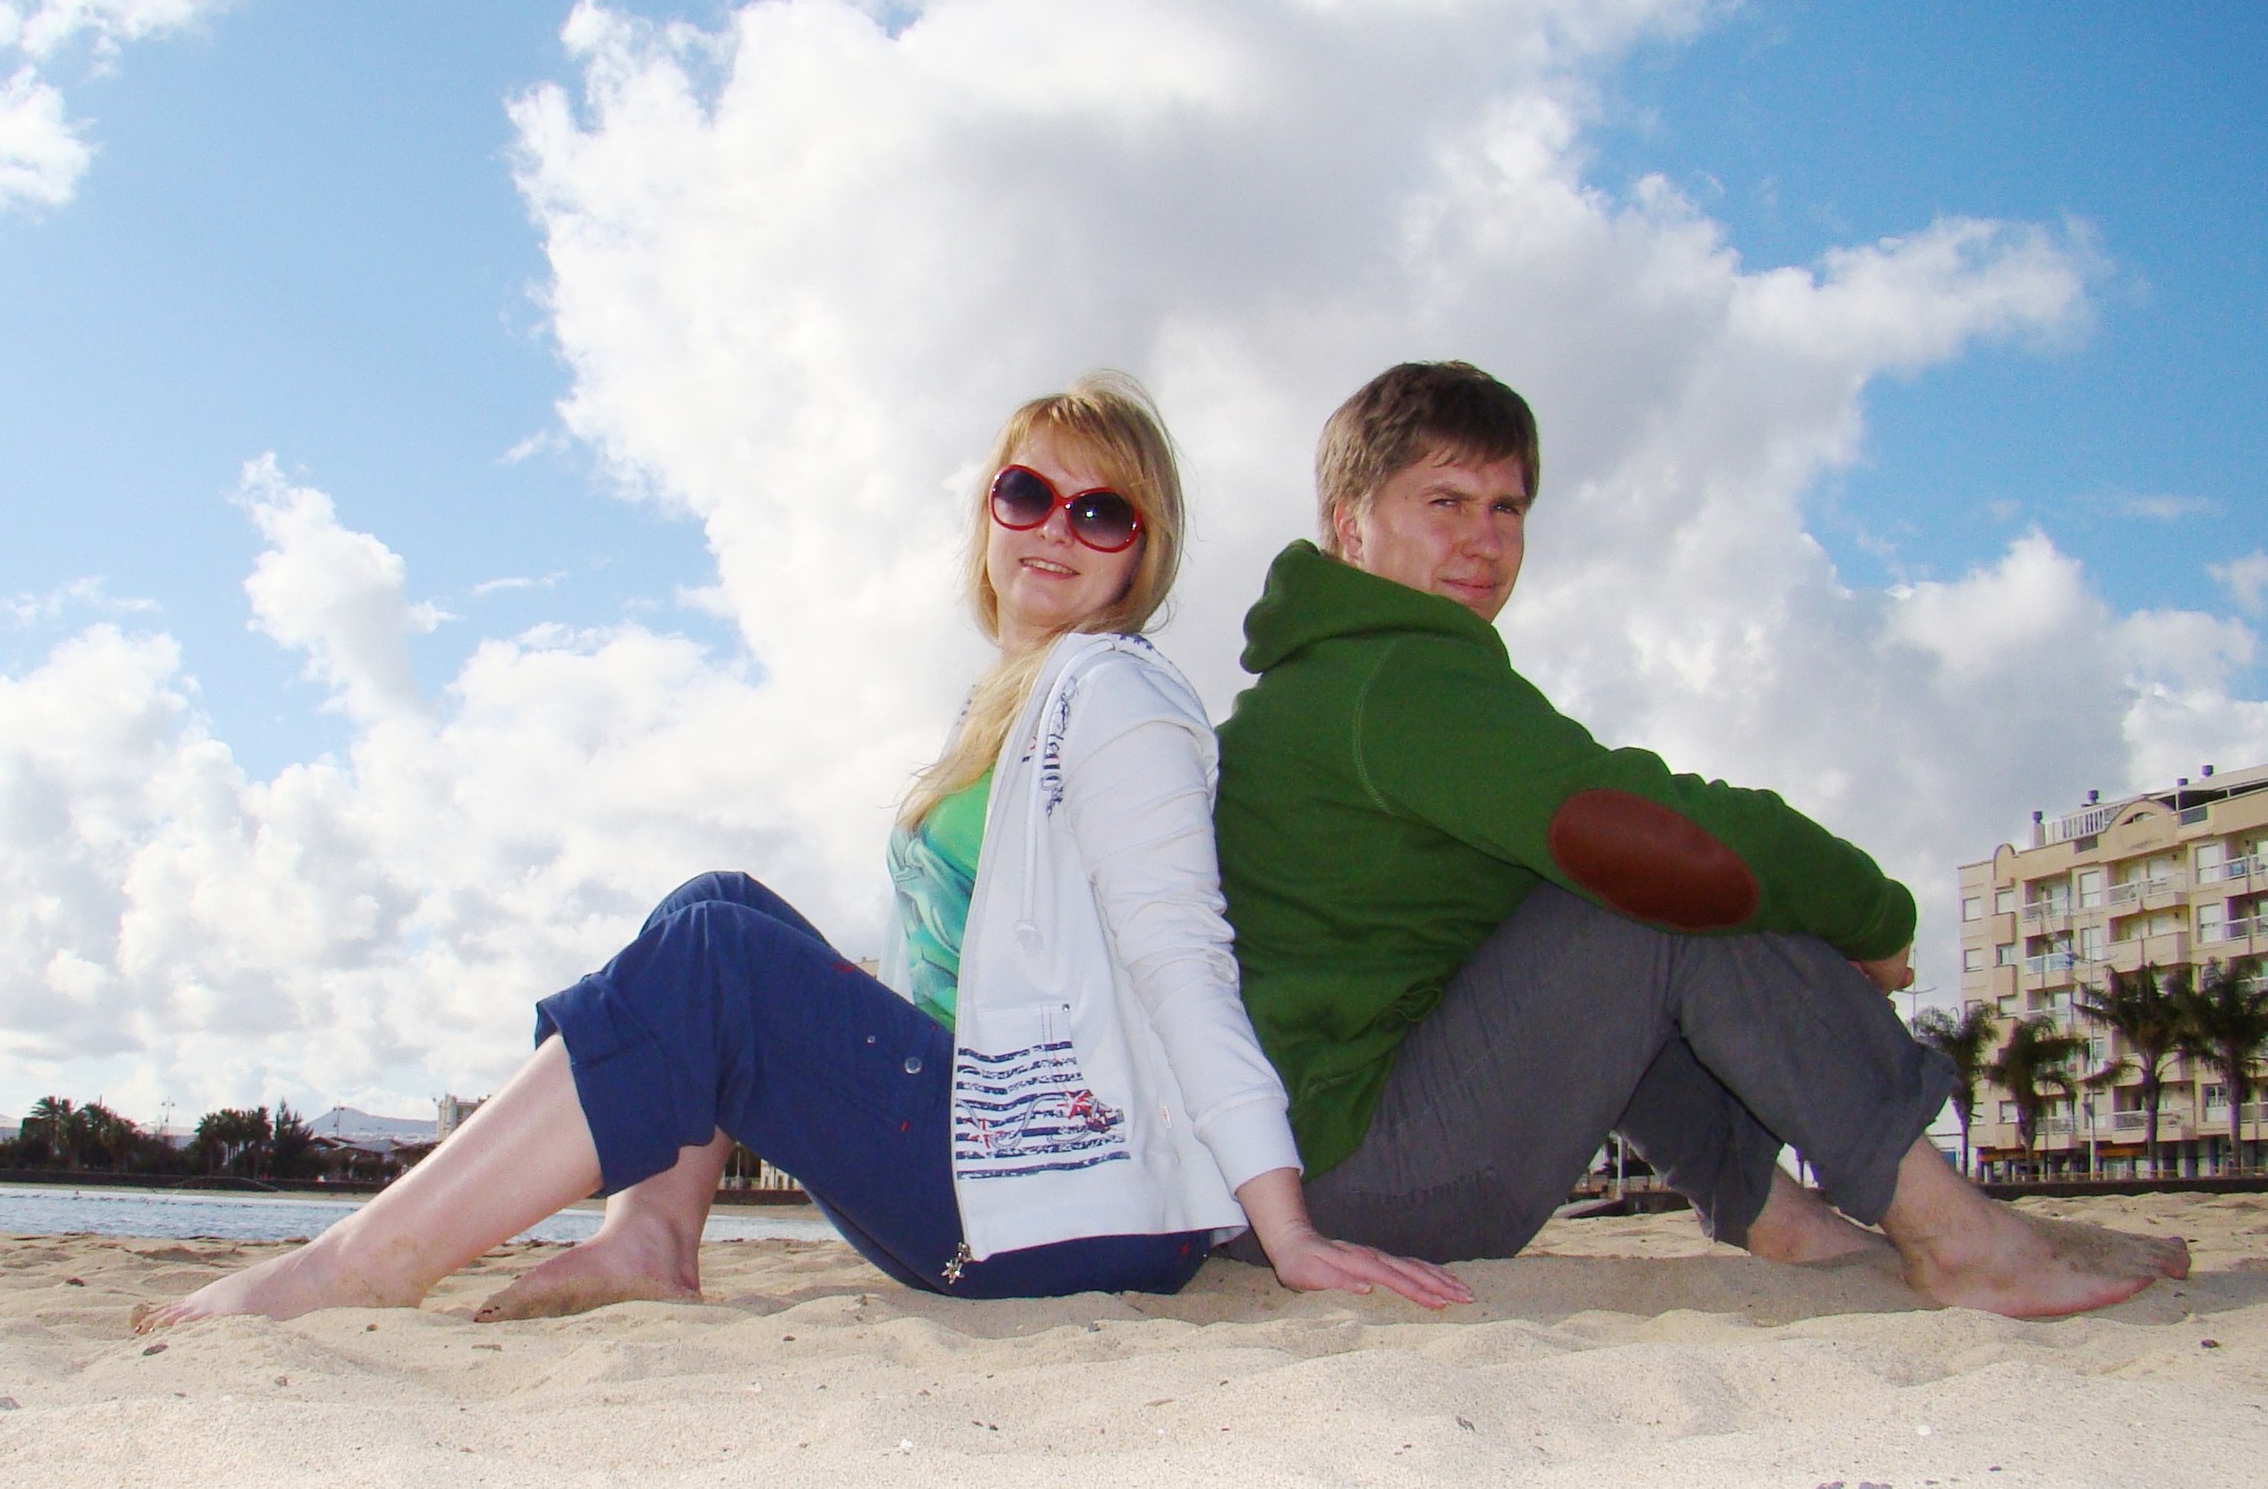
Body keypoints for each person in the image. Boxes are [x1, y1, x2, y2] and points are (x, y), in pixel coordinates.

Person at [138, 374, 1471, 1330]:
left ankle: (357, 1267)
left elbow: (1185, 958)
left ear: (1142, 552)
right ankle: (652, 1234)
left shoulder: (1117, 698)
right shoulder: (1013, 700)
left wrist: (1286, 1230)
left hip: (1053, 1207)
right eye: (1027, 492)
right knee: (712, 904)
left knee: (717, 959)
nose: (1054, 528)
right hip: (995, 1158)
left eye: (1100, 513)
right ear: (989, 513)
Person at [1212, 360, 2189, 1319]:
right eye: (1446, 502)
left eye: (1506, 507)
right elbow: (1657, 833)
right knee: (1652, 886)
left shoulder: (1345, 677)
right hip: (1350, 1187)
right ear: (1350, 525)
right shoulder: (1395, 682)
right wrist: (1873, 915)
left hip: (1299, 1180)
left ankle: (1785, 1218)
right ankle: (1956, 1235)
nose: (1485, 539)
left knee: (1597, 898)